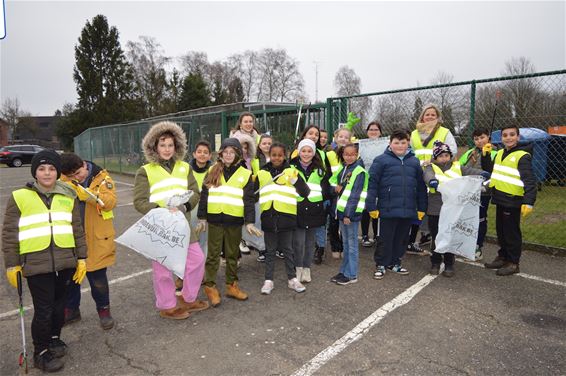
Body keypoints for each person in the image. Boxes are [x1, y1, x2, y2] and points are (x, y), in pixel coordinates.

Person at [3, 150, 87, 372]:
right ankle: (40, 351)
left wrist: (82, 258)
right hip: (36, 264)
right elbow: (10, 234)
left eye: (51, 169)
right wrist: (12, 264)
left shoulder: (68, 195)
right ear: (35, 172)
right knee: (45, 309)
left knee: (60, 307)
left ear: (58, 172)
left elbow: (77, 230)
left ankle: (53, 338)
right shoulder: (20, 197)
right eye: (42, 168)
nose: (47, 173)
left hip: (65, 262)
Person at [134, 121, 209, 320]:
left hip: (183, 224)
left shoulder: (185, 167)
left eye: (170, 145)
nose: (167, 149)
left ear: (177, 146)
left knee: (197, 260)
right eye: (162, 145)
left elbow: (195, 192)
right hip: (160, 228)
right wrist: (160, 210)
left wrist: (184, 207)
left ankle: (188, 298)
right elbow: (139, 201)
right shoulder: (146, 171)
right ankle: (167, 305)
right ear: (154, 147)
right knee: (163, 269)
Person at [197, 138, 260, 306]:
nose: (228, 155)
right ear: (221, 154)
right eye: (225, 152)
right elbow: (204, 195)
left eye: (232, 152)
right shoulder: (212, 170)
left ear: (238, 154)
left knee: (232, 255)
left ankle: (231, 285)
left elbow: (248, 200)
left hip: (234, 220)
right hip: (215, 219)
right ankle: (210, 286)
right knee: (213, 255)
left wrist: (250, 222)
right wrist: (202, 217)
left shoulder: (246, 174)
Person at [59, 153, 117, 330]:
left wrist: (89, 195)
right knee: (70, 278)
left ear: (84, 165)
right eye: (73, 176)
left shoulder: (102, 177)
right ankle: (71, 310)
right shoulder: (62, 179)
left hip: (96, 238)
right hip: (71, 238)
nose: (78, 177)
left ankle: (104, 310)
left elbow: (111, 202)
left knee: (98, 279)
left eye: (79, 172)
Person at [366, 130, 428, 279]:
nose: (400, 145)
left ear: (408, 144)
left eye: (403, 142)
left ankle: (395, 262)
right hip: (387, 209)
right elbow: (372, 184)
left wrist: (421, 207)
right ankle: (381, 264)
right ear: (390, 144)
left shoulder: (414, 162)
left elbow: (420, 186)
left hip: (408, 209)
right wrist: (371, 206)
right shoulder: (380, 160)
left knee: (401, 238)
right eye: (396, 142)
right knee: (385, 238)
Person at [423, 141, 487, 277]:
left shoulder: (458, 167)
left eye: (446, 155)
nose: (444, 158)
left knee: (451, 236)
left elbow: (471, 172)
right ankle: (435, 262)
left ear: (450, 156)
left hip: (453, 209)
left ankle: (449, 263)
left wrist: (483, 174)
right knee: (437, 236)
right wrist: (432, 181)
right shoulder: (431, 167)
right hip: (436, 208)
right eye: (440, 156)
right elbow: (428, 176)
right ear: (435, 157)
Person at [482, 124, 537, 276]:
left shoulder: (522, 156)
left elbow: (529, 180)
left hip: (512, 200)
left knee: (511, 233)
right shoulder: (499, 153)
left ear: (518, 137)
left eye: (512, 135)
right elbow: (492, 171)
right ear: (501, 138)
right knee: (501, 230)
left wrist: (529, 201)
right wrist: (486, 155)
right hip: (500, 198)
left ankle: (513, 263)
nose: (509, 138)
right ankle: (503, 256)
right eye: (505, 135)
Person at [255, 142, 310, 294]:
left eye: (280, 155)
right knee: (270, 251)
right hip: (268, 218)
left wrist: (295, 181)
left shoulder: (292, 172)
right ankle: (268, 280)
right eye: (274, 155)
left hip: (287, 219)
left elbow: (305, 192)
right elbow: (252, 195)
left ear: (284, 155)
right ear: (269, 156)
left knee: (288, 250)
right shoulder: (262, 173)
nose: (277, 158)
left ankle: (292, 279)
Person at [407, 104, 456, 256]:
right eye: (427, 114)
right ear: (422, 116)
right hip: (417, 174)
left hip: (437, 174)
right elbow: (410, 152)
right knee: (419, 206)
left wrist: (433, 163)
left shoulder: (444, 132)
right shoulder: (414, 133)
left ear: (438, 117)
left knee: (436, 208)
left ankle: (436, 238)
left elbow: (452, 151)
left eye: (433, 115)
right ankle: (417, 237)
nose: (429, 117)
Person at [289, 139, 330, 283]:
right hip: (298, 209)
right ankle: (298, 268)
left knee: (310, 242)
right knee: (298, 242)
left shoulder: (320, 170)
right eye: (303, 151)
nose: (306, 154)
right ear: (299, 152)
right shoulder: (291, 168)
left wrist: (322, 205)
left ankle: (307, 269)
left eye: (310, 151)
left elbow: (325, 190)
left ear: (314, 153)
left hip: (314, 210)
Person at [329, 144, 368, 285]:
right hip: (341, 213)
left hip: (350, 215)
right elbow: (332, 183)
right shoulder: (343, 168)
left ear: (357, 154)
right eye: (346, 154)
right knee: (346, 244)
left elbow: (354, 196)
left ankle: (352, 275)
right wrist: (335, 189)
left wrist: (348, 215)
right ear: (343, 155)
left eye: (352, 154)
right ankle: (344, 271)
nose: (349, 157)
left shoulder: (359, 171)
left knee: (351, 246)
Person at [459, 127, 497, 260]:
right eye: (476, 139)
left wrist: (487, 155)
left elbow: (493, 172)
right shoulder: (469, 153)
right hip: (468, 191)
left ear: (488, 138)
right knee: (467, 218)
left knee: (480, 218)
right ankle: (466, 243)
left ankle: (477, 247)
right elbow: (459, 167)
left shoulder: (495, 153)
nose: (479, 141)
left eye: (482, 137)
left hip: (484, 192)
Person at [326, 127, 352, 259]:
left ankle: (345, 246)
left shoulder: (353, 155)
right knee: (334, 220)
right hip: (334, 193)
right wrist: (333, 188)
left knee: (347, 220)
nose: (343, 139)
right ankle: (336, 246)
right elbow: (327, 175)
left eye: (346, 137)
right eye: (340, 136)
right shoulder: (329, 155)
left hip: (348, 194)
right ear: (335, 138)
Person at [189, 140, 213, 256]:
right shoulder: (187, 170)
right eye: (199, 152)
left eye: (205, 152)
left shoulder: (214, 171)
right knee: (190, 240)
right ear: (194, 154)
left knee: (204, 240)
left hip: (206, 211)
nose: (202, 154)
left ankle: (202, 270)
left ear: (210, 155)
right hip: (190, 210)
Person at [361, 121, 382, 247]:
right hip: (364, 179)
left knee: (377, 207)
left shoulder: (385, 145)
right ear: (367, 132)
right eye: (371, 129)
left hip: (379, 180)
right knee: (365, 208)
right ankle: (364, 235)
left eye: (376, 129)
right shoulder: (361, 145)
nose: (373, 131)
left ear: (380, 132)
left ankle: (376, 235)